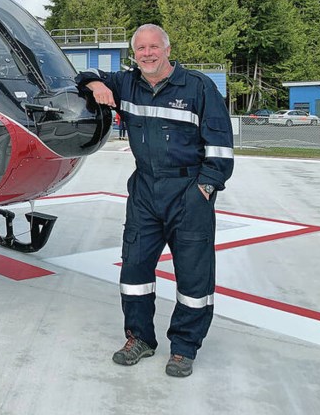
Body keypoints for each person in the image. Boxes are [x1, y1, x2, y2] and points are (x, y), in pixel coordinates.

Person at [76, 24, 234, 378]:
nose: (147, 54)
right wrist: (97, 84)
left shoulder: (197, 87)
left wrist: (205, 189)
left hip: (188, 191)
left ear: (167, 49)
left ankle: (184, 348)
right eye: (141, 48)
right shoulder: (126, 83)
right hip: (146, 190)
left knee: (193, 277)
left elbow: (221, 148)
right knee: (134, 270)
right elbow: (81, 74)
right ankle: (140, 338)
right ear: (135, 53)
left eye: (154, 47)